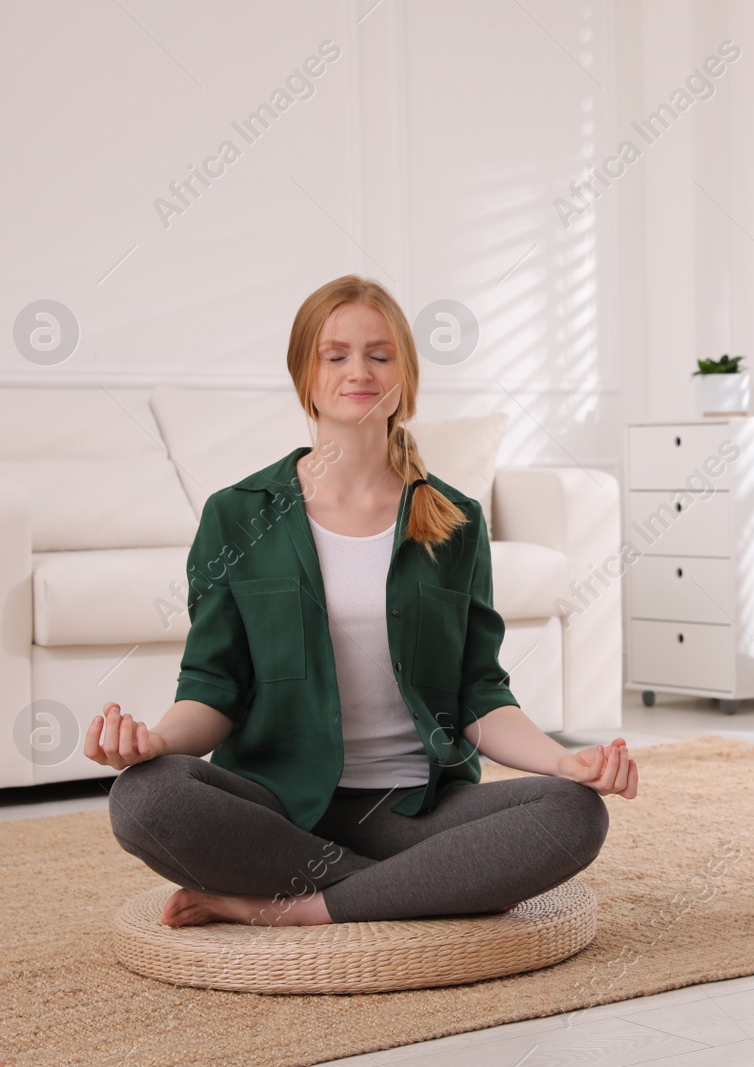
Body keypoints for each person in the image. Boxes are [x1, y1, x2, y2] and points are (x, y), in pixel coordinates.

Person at [85, 274, 637, 929]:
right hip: (279, 809)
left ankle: (308, 906)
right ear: (304, 373)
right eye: (336, 354)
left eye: (380, 354)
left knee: (573, 813)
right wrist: (154, 739)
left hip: (416, 812)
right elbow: (213, 687)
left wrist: (562, 760)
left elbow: (479, 692)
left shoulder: (455, 518)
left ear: (405, 374)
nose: (360, 371)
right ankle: (433, 888)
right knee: (145, 797)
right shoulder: (236, 515)